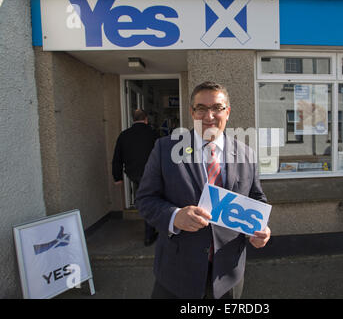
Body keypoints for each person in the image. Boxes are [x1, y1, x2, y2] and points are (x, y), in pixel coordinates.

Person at [135, 81, 271, 299]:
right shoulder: (165, 148)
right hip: (177, 273)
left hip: (228, 274)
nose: (209, 116)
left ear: (227, 111)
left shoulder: (247, 154)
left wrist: (260, 227)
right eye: (201, 108)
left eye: (217, 107)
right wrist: (174, 216)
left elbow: (256, 198)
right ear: (192, 112)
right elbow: (144, 200)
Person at [112, 109, 158, 246]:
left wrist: (117, 177)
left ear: (133, 119)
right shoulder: (153, 134)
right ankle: (149, 235)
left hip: (134, 174)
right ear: (146, 119)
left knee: (145, 199)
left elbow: (117, 158)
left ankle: (150, 229)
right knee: (151, 200)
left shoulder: (124, 135)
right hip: (152, 173)